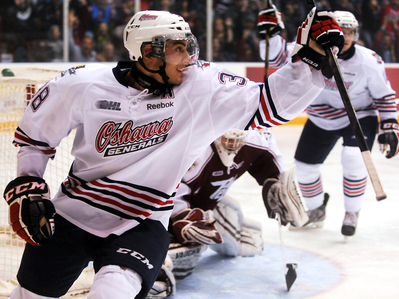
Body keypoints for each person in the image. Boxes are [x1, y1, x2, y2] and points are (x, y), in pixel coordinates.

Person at [2, 9, 344, 299]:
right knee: (30, 295)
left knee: (111, 292)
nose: (188, 58)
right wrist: (29, 183)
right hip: (75, 213)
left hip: (144, 219)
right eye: (178, 50)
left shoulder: (201, 86)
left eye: (189, 48)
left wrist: (310, 57)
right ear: (148, 53)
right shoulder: (81, 85)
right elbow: (36, 137)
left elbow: (271, 106)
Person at [258, 7, 398, 237]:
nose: (346, 36)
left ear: (357, 35)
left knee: (353, 158)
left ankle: (352, 212)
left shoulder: (368, 61)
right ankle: (316, 210)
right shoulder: (310, 51)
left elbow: (384, 96)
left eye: (350, 32)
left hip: (359, 116)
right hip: (321, 117)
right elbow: (278, 57)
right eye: (340, 31)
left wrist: (390, 125)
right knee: (304, 168)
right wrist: (272, 35)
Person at [147, 128, 308, 297]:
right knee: (187, 255)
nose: (233, 145)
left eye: (238, 139)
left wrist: (276, 187)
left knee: (243, 243)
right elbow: (169, 189)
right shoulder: (194, 148)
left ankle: (235, 230)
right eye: (228, 139)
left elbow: (270, 164)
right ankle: (152, 267)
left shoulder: (256, 138)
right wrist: (183, 216)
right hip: (163, 212)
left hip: (210, 208)